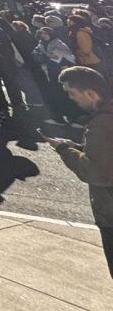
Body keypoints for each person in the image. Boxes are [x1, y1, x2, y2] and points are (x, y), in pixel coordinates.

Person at [50, 66, 113, 277]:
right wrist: (78, 147)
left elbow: (95, 171)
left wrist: (64, 150)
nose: (71, 99)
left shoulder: (102, 123)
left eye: (71, 93)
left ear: (90, 93)